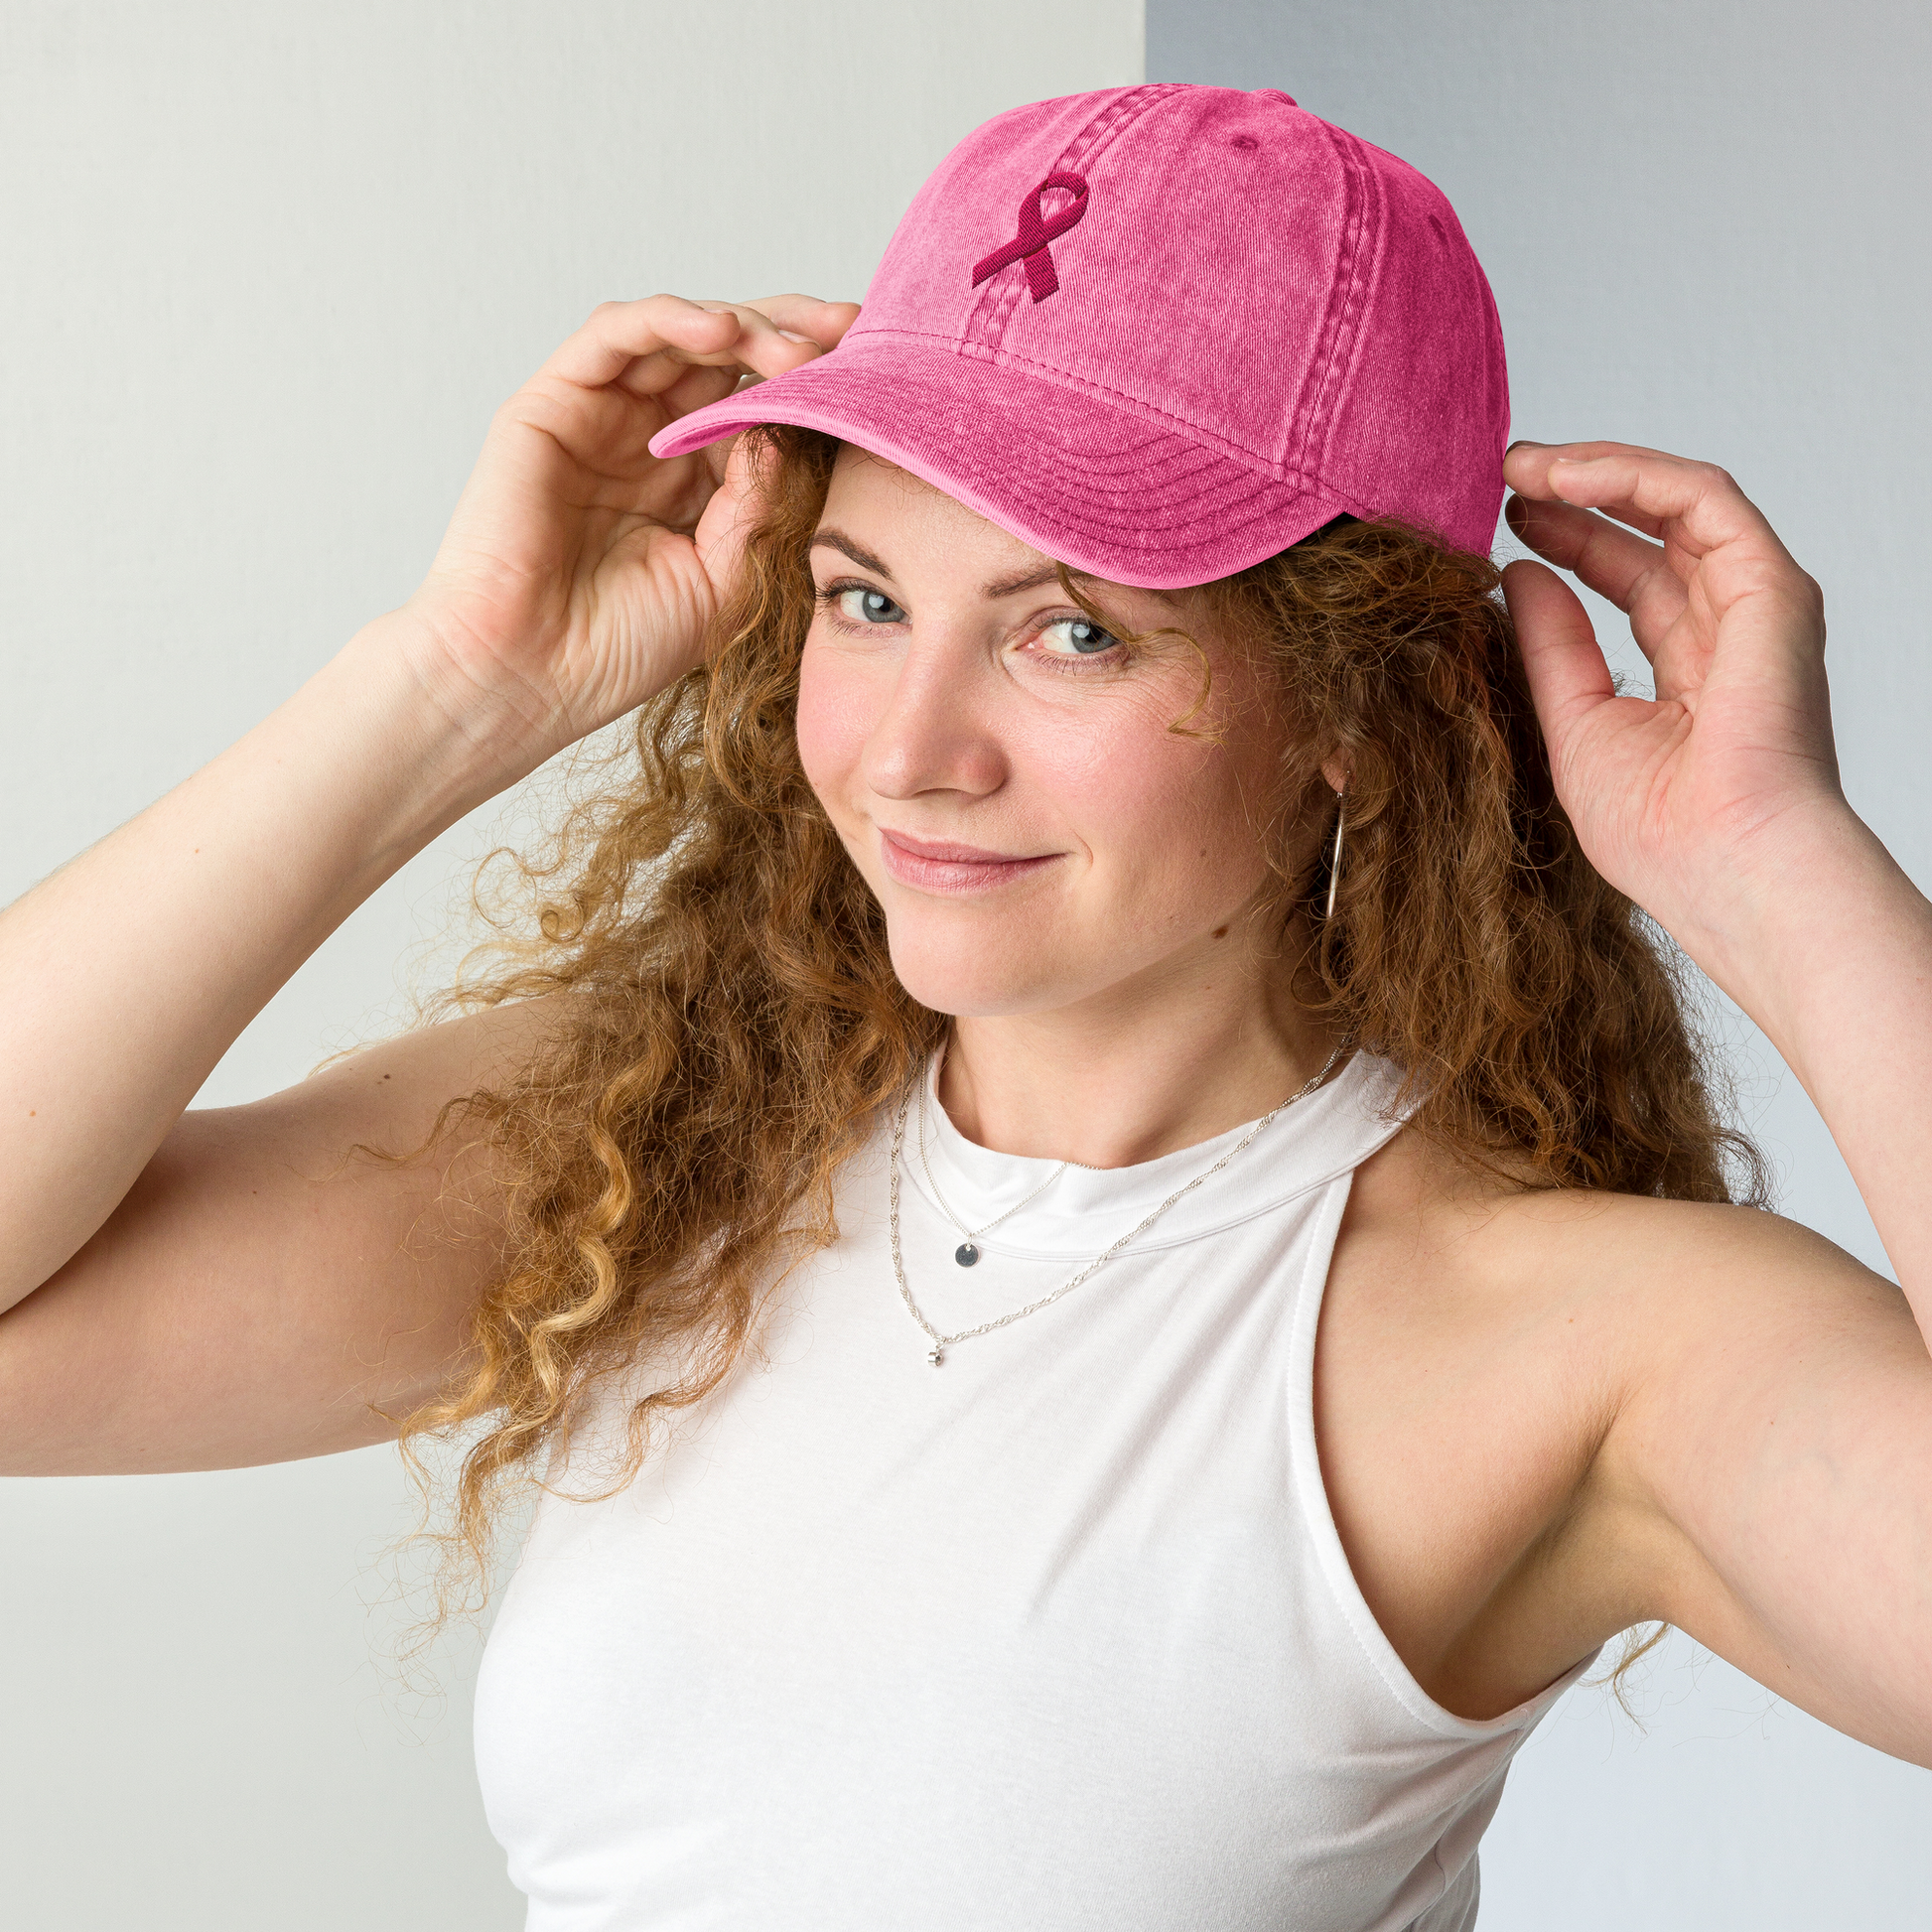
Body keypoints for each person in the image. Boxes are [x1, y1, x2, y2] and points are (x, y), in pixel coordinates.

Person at [1, 78, 1926, 1931]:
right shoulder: (659, 1149)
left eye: (1067, 628)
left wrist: (1773, 865)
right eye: (860, 600)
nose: (912, 752)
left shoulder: (1562, 1343)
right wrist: (446, 683)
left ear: (1353, 704)